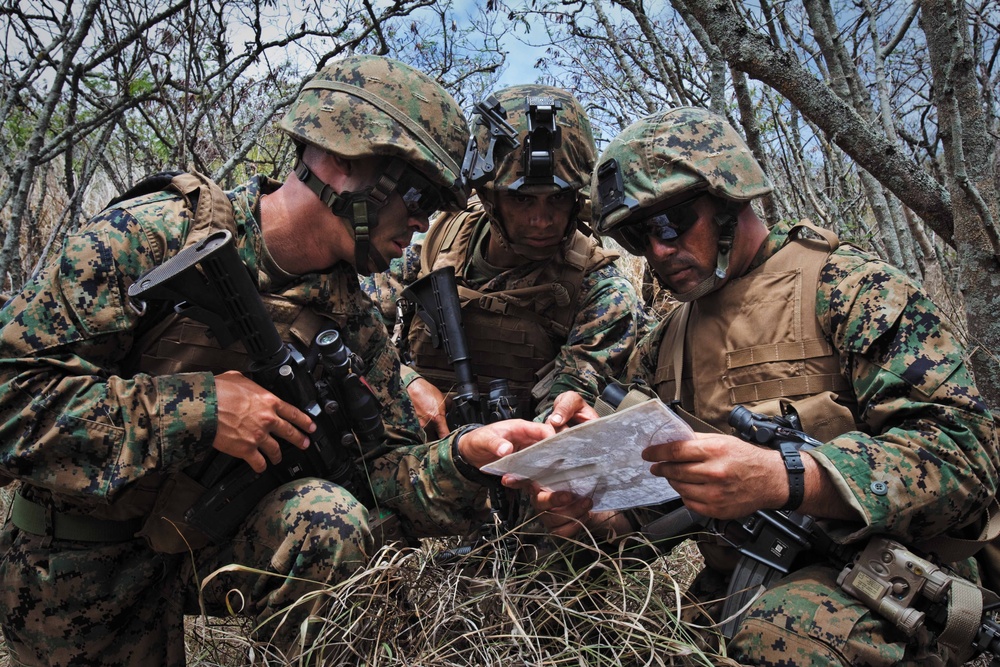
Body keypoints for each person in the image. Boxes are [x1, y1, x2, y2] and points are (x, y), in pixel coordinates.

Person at [0, 55, 558, 667]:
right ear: (344, 162)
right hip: (78, 567)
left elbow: (384, 472)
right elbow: (11, 399)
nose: (426, 221)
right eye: (419, 193)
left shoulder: (352, 315)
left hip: (203, 547)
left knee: (332, 522)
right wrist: (204, 410)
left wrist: (462, 458)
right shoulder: (150, 238)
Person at [510, 106, 1000, 665]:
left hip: (896, 590)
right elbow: (656, 510)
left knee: (783, 632)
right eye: (640, 238)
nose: (660, 252)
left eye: (671, 223)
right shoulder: (664, 343)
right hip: (738, 593)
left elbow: (967, 454)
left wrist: (789, 478)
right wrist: (595, 512)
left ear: (730, 196)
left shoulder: (850, 289)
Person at [368, 84, 648, 437]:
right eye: (523, 200)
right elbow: (351, 317)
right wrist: (404, 379)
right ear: (488, 197)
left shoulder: (600, 291)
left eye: (558, 199)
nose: (542, 220)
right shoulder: (436, 247)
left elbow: (567, 400)